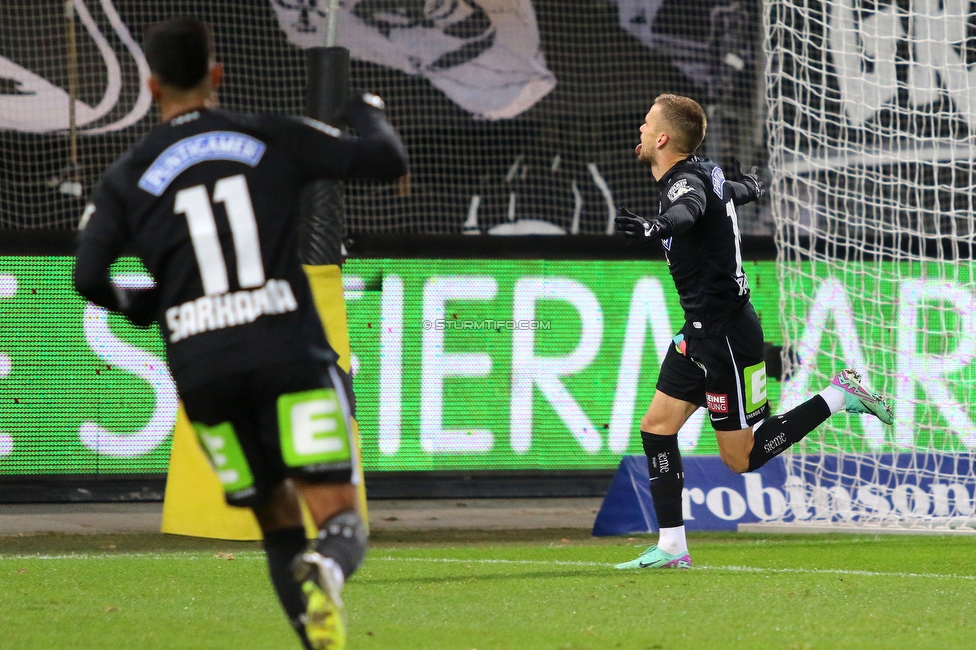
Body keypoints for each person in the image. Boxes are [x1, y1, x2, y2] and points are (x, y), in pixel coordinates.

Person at [73, 17, 407, 649]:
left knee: (277, 520)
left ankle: (318, 639)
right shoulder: (266, 134)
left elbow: (88, 275)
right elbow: (385, 159)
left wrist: (149, 308)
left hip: (203, 374)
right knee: (335, 513)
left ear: (149, 86)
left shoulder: (128, 175)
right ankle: (331, 567)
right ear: (217, 74)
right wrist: (366, 110)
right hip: (287, 351)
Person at [612, 94, 892, 570]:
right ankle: (672, 546)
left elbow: (690, 210)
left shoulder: (684, 187)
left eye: (645, 123)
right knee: (656, 428)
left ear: (662, 139)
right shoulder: (708, 171)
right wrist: (750, 186)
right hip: (699, 334)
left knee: (740, 459)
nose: (639, 129)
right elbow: (724, 193)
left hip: (725, 341)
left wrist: (657, 226)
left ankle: (838, 396)